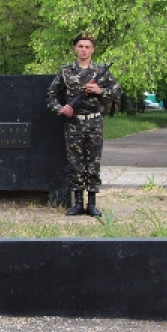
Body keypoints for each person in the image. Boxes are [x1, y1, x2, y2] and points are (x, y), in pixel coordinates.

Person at [46, 32, 121, 216]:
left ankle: (92, 204)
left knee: (93, 164)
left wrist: (100, 90)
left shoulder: (100, 72)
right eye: (80, 46)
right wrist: (61, 108)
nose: (84, 50)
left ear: (92, 50)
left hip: (94, 121)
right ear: (75, 49)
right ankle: (78, 202)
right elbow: (50, 95)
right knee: (75, 164)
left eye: (87, 47)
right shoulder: (66, 71)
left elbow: (117, 92)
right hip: (74, 123)